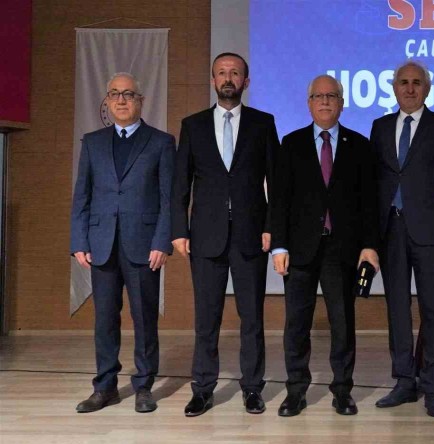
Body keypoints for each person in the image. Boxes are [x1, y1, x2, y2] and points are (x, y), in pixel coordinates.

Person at [171, 52, 279, 417]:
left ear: (246, 81)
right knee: (206, 318)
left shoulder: (263, 123)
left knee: (252, 318)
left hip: (251, 235)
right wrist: (178, 230)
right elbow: (180, 183)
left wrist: (272, 226)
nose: (228, 78)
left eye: (234, 73)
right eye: (221, 73)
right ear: (213, 80)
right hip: (205, 236)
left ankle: (252, 388)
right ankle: (202, 389)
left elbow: (276, 182)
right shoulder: (193, 125)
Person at [269, 75, 380, 417]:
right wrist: (279, 246)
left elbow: (369, 202)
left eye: (332, 96)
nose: (325, 101)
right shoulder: (291, 143)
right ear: (309, 104)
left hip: (342, 250)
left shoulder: (359, 145)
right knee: (296, 323)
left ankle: (342, 391)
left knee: (342, 323)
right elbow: (279, 199)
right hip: (300, 250)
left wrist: (369, 245)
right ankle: (295, 391)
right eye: (318, 96)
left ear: (342, 103)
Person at [70, 72, 175, 413]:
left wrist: (162, 241)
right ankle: (105, 387)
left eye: (128, 94)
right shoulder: (93, 142)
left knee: (144, 318)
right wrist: (79, 240)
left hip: (144, 245)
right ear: (106, 101)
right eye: (114, 94)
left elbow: (168, 198)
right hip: (101, 244)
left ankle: (143, 387)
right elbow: (82, 195)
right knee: (104, 320)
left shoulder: (161, 142)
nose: (121, 100)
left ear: (140, 100)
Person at [370, 60, 434, 418]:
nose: (409, 88)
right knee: (397, 308)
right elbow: (372, 184)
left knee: (433, 310)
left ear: (427, 88)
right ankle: (404, 381)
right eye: (403, 82)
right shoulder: (379, 127)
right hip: (389, 232)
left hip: (432, 233)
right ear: (394, 88)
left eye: (416, 83)